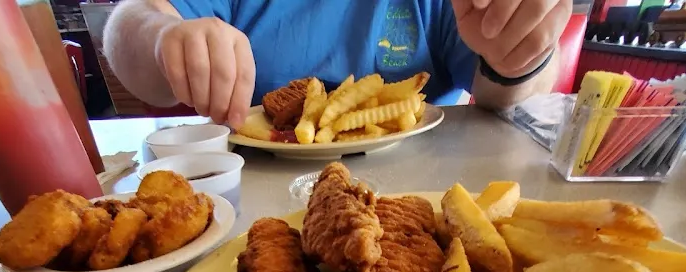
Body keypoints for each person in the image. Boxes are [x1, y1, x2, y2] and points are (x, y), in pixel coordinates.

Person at [104, 0, 571, 129]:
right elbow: (129, 22)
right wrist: (160, 35)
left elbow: (502, 101)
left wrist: (518, 58)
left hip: (424, 191)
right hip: (252, 187)